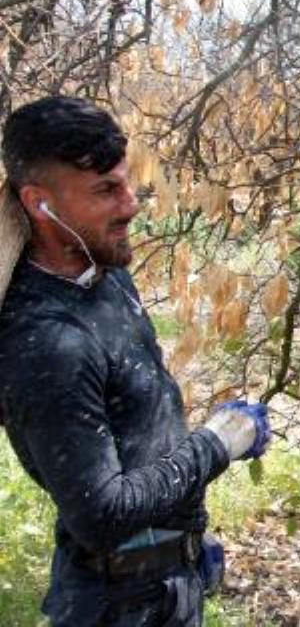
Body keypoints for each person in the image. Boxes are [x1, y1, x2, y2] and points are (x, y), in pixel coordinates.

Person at [0, 96, 272, 627]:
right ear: (40, 204)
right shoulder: (47, 340)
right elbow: (101, 514)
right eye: (105, 191)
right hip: (118, 604)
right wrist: (219, 443)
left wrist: (184, 537)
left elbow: (136, 436)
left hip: (161, 582)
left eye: (125, 183)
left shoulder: (104, 271)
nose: (130, 204)